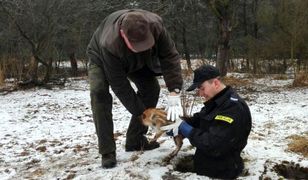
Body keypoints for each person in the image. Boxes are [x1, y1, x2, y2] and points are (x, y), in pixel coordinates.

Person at [86, 9, 183, 168]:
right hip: (102, 58)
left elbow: (170, 57)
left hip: (137, 60)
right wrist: (145, 114)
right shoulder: (109, 43)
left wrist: (174, 92)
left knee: (151, 88)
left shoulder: (156, 26)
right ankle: (107, 151)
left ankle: (135, 140)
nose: (143, 47)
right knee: (99, 93)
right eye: (138, 45)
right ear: (123, 35)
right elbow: (120, 85)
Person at [166, 65, 252, 179]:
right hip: (205, 167)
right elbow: (199, 120)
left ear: (215, 83)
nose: (200, 94)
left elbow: (214, 145)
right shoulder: (216, 101)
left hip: (222, 173)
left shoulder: (233, 108)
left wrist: (187, 130)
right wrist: (176, 124)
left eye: (202, 88)